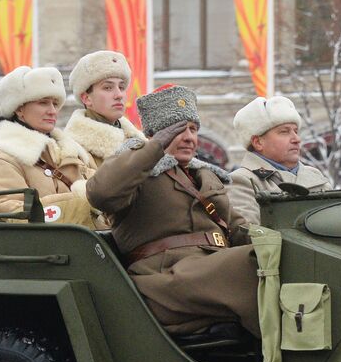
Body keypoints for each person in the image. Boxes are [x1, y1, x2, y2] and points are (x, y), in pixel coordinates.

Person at [87, 86, 261, 339]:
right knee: (250, 263)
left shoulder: (205, 176)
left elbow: (238, 228)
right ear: (156, 134)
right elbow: (101, 193)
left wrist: (279, 244)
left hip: (210, 273)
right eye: (178, 130)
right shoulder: (136, 170)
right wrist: (153, 148)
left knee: (281, 259)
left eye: (193, 129)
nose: (189, 137)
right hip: (165, 281)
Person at [0, 66, 98, 228]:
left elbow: (103, 187)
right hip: (49, 249)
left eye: (55, 104)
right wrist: (78, 202)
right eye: (43, 103)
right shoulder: (2, 161)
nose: (52, 111)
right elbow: (13, 214)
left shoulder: (71, 153)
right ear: (19, 109)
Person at [226, 95, 330, 225]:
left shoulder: (314, 175)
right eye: (284, 132)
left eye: (296, 131)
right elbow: (249, 235)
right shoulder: (242, 181)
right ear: (258, 142)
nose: (296, 139)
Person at [64, 50, 145, 170]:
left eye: (122, 87)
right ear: (86, 98)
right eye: (108, 88)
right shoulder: (73, 150)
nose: (119, 95)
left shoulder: (138, 141)